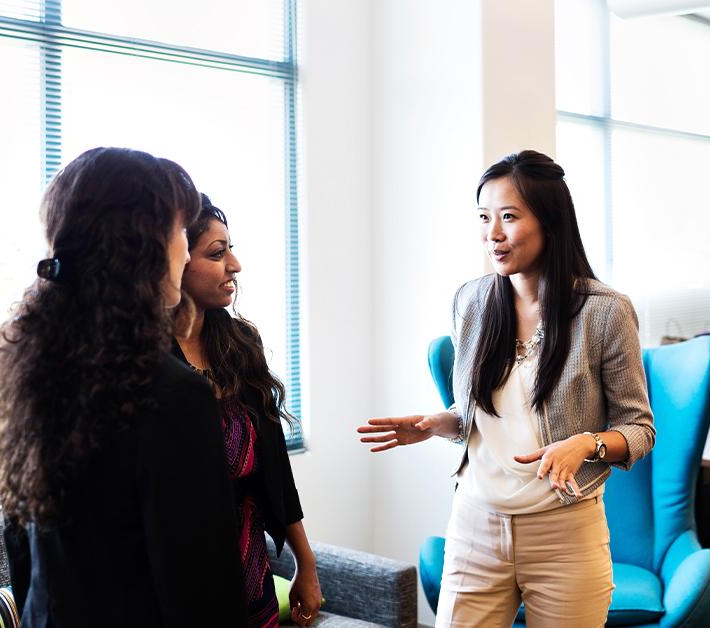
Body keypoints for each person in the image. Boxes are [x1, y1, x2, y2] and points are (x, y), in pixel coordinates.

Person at [357, 150, 655, 627]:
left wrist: (586, 444)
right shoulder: (471, 301)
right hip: (475, 524)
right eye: (483, 217)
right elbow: (484, 416)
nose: (492, 233)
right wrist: (442, 423)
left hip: (564, 532)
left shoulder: (604, 312)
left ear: (550, 221)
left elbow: (638, 428)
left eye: (509, 217)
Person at [0, 147, 245, 627]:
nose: (184, 251)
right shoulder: (172, 395)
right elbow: (204, 597)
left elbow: (25, 560)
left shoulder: (27, 371)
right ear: (143, 246)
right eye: (180, 234)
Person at [172, 195, 321, 628]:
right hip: (187, 570)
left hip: (249, 561)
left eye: (230, 249)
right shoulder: (146, 363)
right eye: (217, 254)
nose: (235, 264)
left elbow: (274, 466)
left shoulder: (240, 344)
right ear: (174, 262)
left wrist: (304, 563)